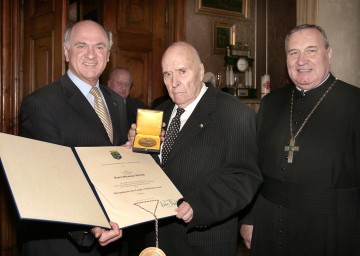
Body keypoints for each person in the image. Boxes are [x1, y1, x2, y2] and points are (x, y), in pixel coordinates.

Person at [132, 41, 262, 256]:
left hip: (203, 240)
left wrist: (200, 205)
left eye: (182, 71)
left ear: (201, 71)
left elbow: (243, 176)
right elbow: (151, 169)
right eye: (167, 74)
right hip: (155, 239)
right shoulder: (157, 112)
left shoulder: (234, 114)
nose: (174, 83)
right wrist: (134, 149)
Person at [240, 24, 360, 256]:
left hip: (332, 230)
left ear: (329, 53)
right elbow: (253, 168)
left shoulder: (355, 103)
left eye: (311, 50)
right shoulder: (270, 103)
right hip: (269, 224)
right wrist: (250, 218)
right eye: (293, 52)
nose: (301, 60)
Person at [19, 20, 128, 256]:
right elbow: (46, 178)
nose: (91, 54)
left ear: (108, 55)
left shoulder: (117, 102)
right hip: (66, 242)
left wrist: (130, 152)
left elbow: (113, 159)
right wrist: (90, 226)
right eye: (81, 45)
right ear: (67, 52)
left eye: (99, 47)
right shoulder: (41, 104)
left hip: (115, 236)